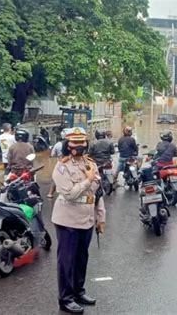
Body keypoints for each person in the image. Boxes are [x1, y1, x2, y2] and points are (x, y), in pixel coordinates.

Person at [51, 127, 106, 313]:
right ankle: (65, 298)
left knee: (82, 258)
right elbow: (70, 194)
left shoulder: (91, 164)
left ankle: (78, 291)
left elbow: (98, 193)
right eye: (74, 143)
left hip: (87, 218)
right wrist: (88, 180)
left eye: (82, 142)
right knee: (66, 260)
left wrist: (101, 217)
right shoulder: (61, 167)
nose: (79, 146)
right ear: (68, 145)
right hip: (67, 220)